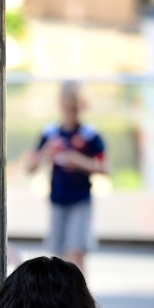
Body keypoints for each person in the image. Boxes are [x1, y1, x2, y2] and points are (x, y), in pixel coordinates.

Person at [27, 81, 108, 273]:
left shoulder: (90, 135)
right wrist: (47, 152)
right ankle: (63, 300)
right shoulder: (51, 133)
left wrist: (78, 161)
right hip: (57, 200)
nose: (71, 112)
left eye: (75, 107)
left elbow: (104, 167)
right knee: (58, 258)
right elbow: (30, 166)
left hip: (80, 200)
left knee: (76, 252)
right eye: (67, 107)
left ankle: (81, 300)